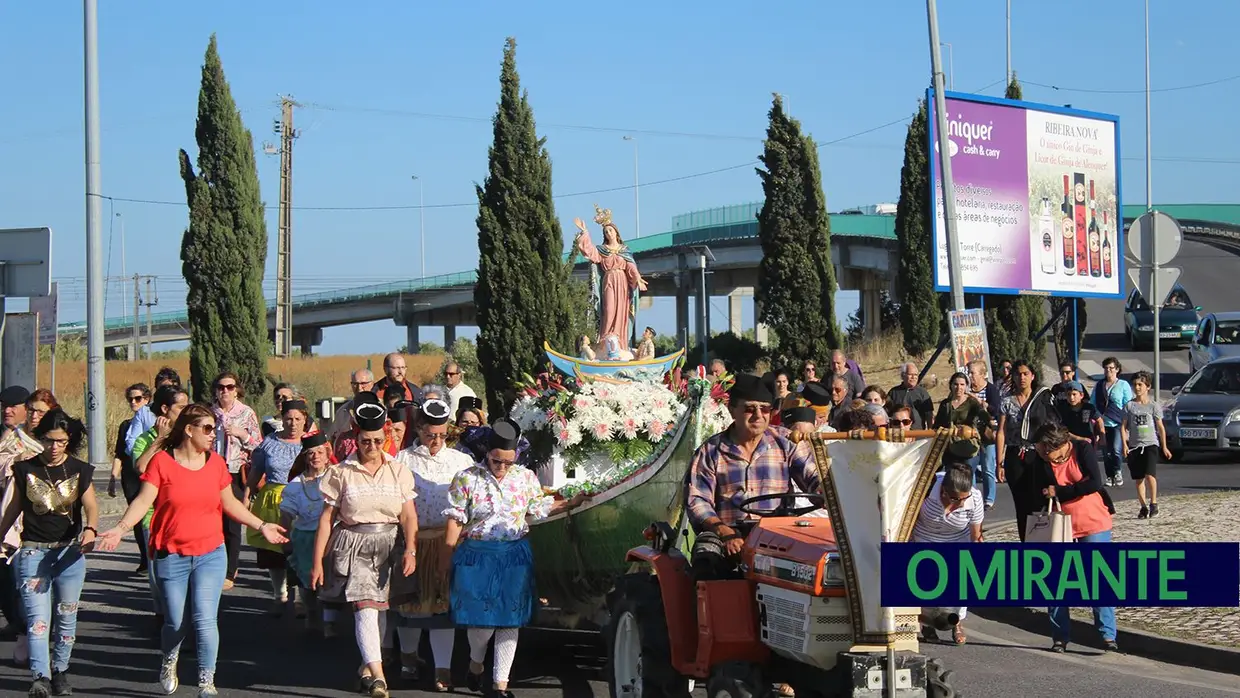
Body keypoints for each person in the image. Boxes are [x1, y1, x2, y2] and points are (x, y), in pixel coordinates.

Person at [96, 403, 289, 697]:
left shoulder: (215, 464)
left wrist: (262, 525)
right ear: (188, 430)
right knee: (175, 621)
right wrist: (120, 528)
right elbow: (143, 501)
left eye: (216, 429)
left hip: (210, 553)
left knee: (204, 618)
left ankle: (206, 681)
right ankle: (169, 657)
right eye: (208, 429)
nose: (214, 435)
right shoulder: (162, 462)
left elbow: (230, 503)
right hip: (171, 554)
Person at [444, 418, 588, 698]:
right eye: (497, 461)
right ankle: (476, 663)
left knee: (510, 619)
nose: (502, 468)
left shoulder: (525, 478)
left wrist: (572, 502)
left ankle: (500, 684)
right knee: (481, 623)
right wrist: (446, 559)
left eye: (508, 462)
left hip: (513, 555)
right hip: (477, 555)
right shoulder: (467, 477)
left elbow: (538, 509)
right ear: (487, 453)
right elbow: (455, 520)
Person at [310, 396, 418, 698]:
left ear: (385, 439)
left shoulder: (399, 470)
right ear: (356, 439)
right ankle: (380, 676)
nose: (372, 446)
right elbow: (326, 520)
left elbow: (408, 514)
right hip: (353, 542)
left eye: (378, 441)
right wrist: (317, 561)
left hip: (389, 543)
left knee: (380, 608)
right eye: (366, 441)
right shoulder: (340, 472)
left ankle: (366, 667)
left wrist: (410, 548)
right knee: (366, 608)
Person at [0, 409, 98, 698]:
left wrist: (91, 530)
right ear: (39, 438)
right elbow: (13, 509)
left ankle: (61, 671)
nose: (54, 448)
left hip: (69, 555)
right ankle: (40, 677)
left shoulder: (80, 469)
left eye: (61, 441)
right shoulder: (25, 469)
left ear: (68, 441)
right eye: (48, 440)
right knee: (38, 620)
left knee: (67, 617)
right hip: (33, 554)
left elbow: (91, 505)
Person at [685, 374, 821, 576]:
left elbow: (814, 478)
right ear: (732, 411)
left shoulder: (785, 442)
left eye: (764, 409)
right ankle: (712, 604)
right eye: (750, 409)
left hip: (778, 534)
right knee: (707, 554)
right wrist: (724, 532)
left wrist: (826, 491)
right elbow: (697, 500)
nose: (758, 415)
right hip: (730, 534)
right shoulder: (711, 451)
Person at [394, 399, 475, 688]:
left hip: (447, 541)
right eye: (430, 434)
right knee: (411, 603)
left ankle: (443, 670)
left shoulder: (461, 461)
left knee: (443, 607)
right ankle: (408, 660)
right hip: (413, 540)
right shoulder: (402, 460)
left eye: (442, 435)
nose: (436, 441)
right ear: (419, 428)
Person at [1027, 424, 1118, 654]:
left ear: (1058, 446)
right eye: (1039, 450)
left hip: (1092, 521)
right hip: (1059, 526)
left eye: (1044, 450)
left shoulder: (1082, 449)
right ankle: (1060, 637)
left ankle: (1107, 635)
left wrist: (1059, 491)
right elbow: (1038, 490)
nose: (1040, 454)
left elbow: (1094, 483)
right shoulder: (1041, 460)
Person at [245, 399, 310, 616]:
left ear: (305, 420)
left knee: (300, 547)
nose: (293, 423)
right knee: (274, 551)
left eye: (298, 419)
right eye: (288, 419)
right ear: (282, 419)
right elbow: (256, 470)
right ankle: (279, 593)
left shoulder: (311, 443)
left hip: (302, 497)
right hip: (272, 497)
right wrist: (247, 495)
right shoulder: (270, 442)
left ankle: (301, 596)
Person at [912, 458, 983, 645]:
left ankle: (956, 623)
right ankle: (927, 622)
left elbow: (976, 534)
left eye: (964, 498)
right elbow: (907, 517)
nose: (961, 503)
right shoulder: (926, 488)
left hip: (956, 541)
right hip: (924, 539)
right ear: (944, 490)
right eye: (956, 499)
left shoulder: (973, 498)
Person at [278, 432, 338, 636]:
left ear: (327, 453)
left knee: (330, 581)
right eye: (310, 453)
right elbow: (286, 514)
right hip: (305, 539)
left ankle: (330, 622)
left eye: (320, 452)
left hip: (332, 537)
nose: (315, 457)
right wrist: (284, 537)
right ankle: (312, 611)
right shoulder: (296, 485)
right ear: (305, 457)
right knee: (308, 581)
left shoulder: (338, 476)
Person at [996, 360, 1059, 542]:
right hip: (1015, 455)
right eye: (1017, 374)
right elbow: (1001, 431)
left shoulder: (1042, 398)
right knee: (1021, 503)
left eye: (1025, 374)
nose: (1021, 378)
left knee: (1039, 499)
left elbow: (1052, 426)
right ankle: (1026, 540)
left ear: (1032, 375)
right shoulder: (1007, 401)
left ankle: (1043, 537)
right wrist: (999, 461)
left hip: (1038, 454)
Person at [573, 205, 648, 354]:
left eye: (610, 230)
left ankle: (619, 342)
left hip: (622, 282)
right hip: (608, 281)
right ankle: (605, 341)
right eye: (606, 231)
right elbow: (591, 253)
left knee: (621, 310)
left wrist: (638, 278)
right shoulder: (603, 250)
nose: (609, 233)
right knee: (609, 309)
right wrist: (585, 232)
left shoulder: (624, 250)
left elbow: (630, 266)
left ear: (616, 232)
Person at [1121, 371, 1170, 519]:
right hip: (1135, 446)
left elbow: (1160, 427)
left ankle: (1153, 503)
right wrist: (1124, 445)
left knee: (1150, 474)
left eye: (1140, 385)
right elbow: (1123, 427)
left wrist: (1164, 446)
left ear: (1147, 387)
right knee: (1139, 478)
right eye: (1135, 385)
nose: (1137, 387)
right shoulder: (1129, 406)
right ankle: (1143, 506)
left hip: (1150, 444)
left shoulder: (1153, 406)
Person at [1090, 357, 1134, 487]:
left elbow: (1128, 404)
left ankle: (1117, 471)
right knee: (1105, 452)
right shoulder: (1099, 385)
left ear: (1117, 369)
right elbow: (1093, 403)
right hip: (1102, 423)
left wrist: (1127, 424)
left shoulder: (1123, 385)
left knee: (1115, 449)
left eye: (1111, 368)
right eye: (1106, 368)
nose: (1108, 370)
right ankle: (1109, 475)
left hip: (1117, 423)